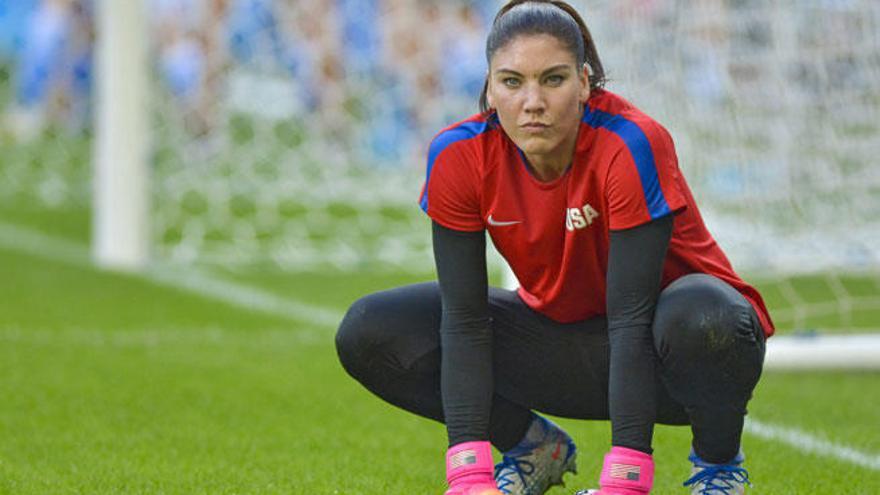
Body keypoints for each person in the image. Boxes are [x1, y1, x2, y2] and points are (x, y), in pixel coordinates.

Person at [335, 1, 773, 494]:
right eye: (512, 81)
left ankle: (718, 470)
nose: (532, 102)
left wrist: (624, 483)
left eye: (553, 79)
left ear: (585, 83)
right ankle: (532, 447)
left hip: (673, 352)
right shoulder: (458, 155)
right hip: (563, 343)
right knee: (371, 329)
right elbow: (465, 319)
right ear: (489, 87)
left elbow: (630, 317)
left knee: (705, 314)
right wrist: (468, 479)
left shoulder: (630, 143)